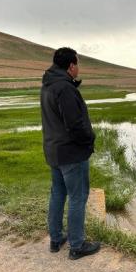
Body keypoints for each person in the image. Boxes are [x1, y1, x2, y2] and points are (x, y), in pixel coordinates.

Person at [40, 47, 100, 260]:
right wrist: (89, 140)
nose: (78, 69)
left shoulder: (48, 85)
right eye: (77, 64)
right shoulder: (64, 88)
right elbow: (75, 124)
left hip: (54, 150)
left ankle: (56, 239)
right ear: (71, 66)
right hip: (71, 153)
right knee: (78, 197)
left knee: (58, 193)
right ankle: (77, 245)